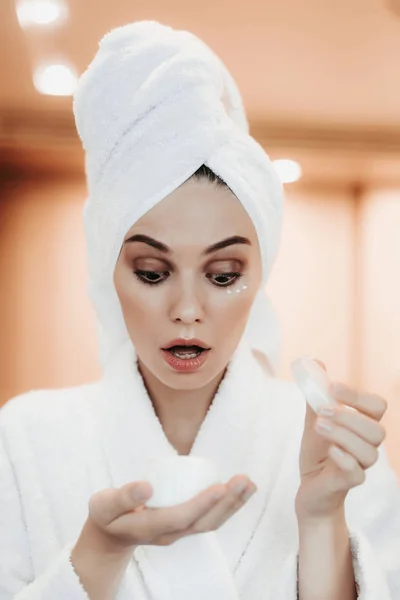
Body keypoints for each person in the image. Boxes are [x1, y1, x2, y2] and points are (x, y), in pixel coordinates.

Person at [1, 20, 400, 600]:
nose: (187, 309)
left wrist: (321, 518)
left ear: (261, 275)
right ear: (108, 272)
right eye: (152, 273)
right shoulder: (25, 438)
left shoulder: (332, 448)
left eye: (222, 276)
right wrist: (97, 556)